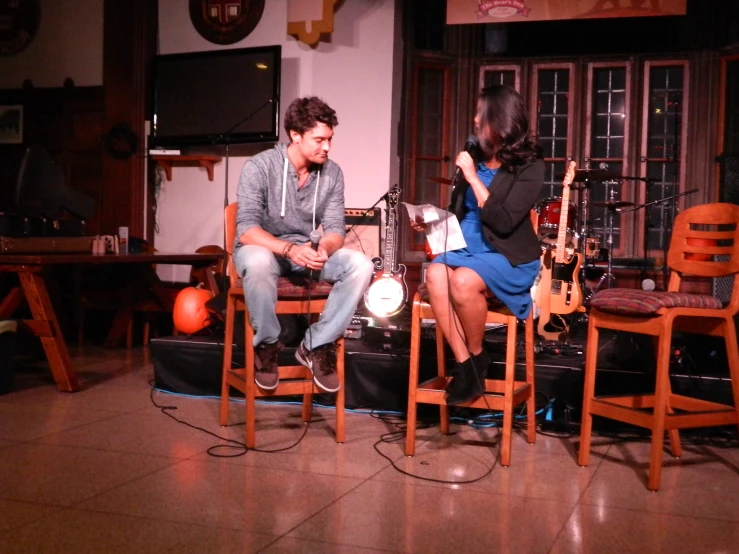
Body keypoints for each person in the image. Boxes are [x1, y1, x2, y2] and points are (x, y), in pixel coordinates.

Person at [410, 85, 544, 405]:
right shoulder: (475, 158)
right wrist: (430, 222)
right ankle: (469, 364)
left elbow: (503, 221)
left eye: (480, 115)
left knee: (462, 281)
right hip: (466, 244)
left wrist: (473, 178)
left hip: (507, 254)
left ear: (498, 121)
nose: (474, 120)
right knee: (436, 274)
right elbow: (459, 212)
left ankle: (475, 354)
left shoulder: (530, 166)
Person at [234, 96, 374, 393]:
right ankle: (268, 346)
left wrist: (325, 247)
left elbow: (335, 228)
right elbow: (245, 228)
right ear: (295, 136)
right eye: (319, 139)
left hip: (304, 253)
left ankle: (316, 344)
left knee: (360, 265)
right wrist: (287, 249)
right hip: (265, 250)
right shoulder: (259, 167)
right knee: (257, 260)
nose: (327, 147)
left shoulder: (332, 173)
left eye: (330, 139)